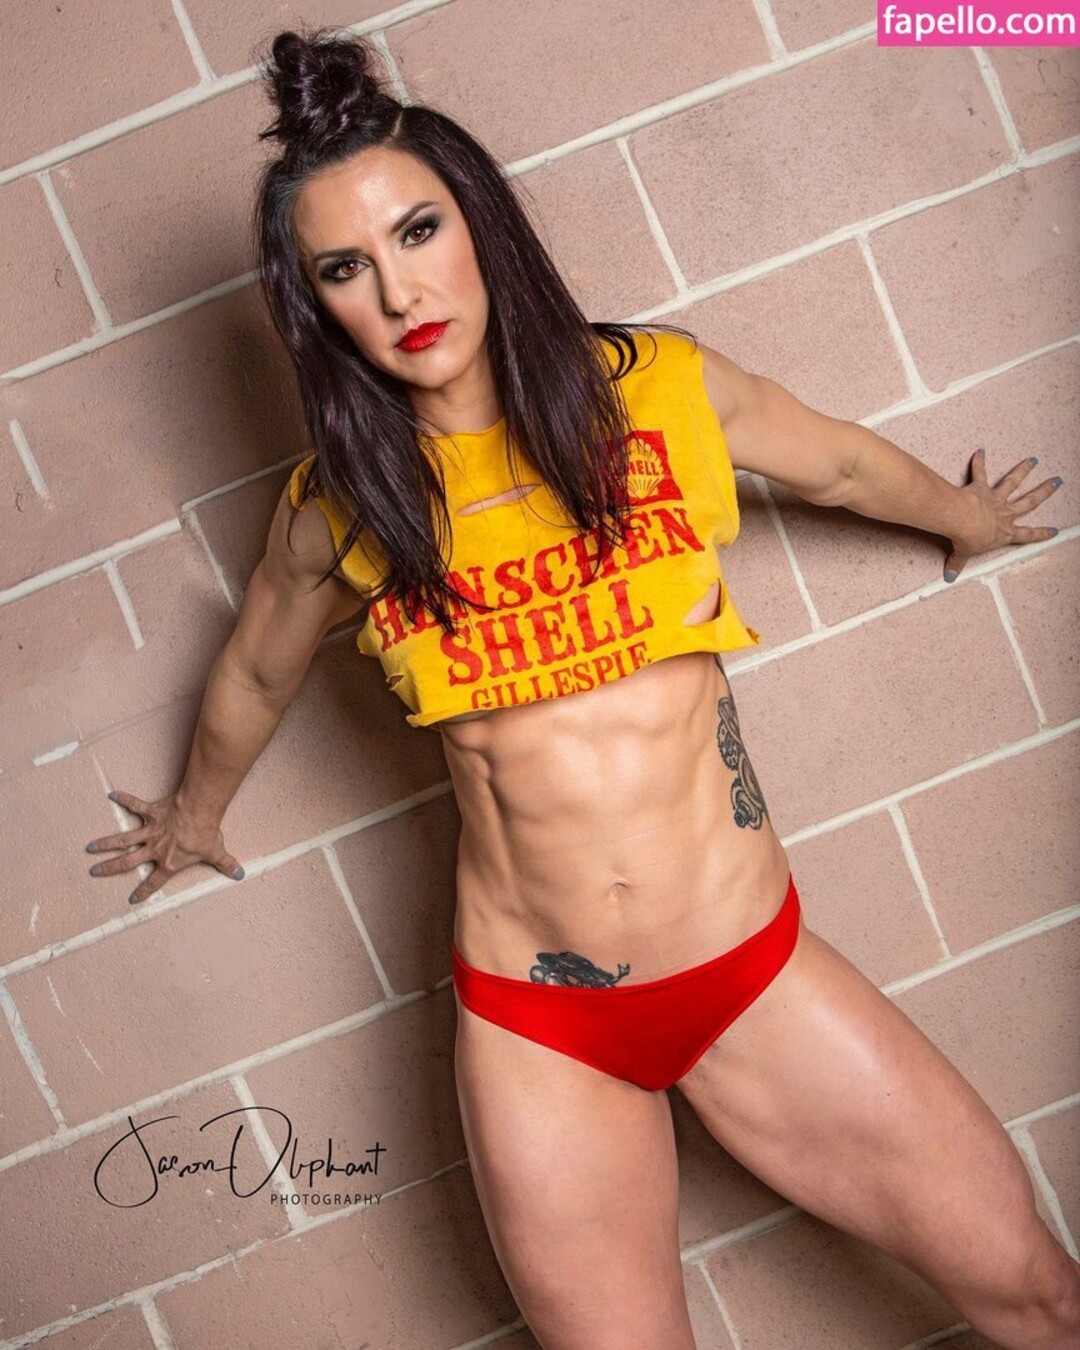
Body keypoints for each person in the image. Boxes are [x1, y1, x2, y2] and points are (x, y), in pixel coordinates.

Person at [84, 26, 1079, 1350]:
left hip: (746, 969)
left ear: (479, 224)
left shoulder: (658, 391)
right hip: (539, 1029)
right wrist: (194, 811)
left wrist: (964, 517)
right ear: (315, 306)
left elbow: (838, 467)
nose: (400, 288)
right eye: (345, 268)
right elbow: (258, 666)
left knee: (1035, 1291)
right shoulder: (345, 505)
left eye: (419, 231)